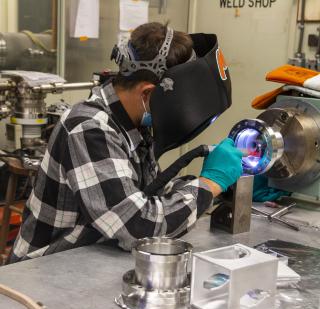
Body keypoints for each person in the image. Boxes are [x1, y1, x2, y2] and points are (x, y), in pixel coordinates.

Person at [8, 22, 242, 263]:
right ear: (148, 93)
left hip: (86, 261)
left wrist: (219, 187)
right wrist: (210, 183)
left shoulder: (133, 124)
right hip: (41, 274)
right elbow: (137, 227)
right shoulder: (89, 129)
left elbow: (147, 197)